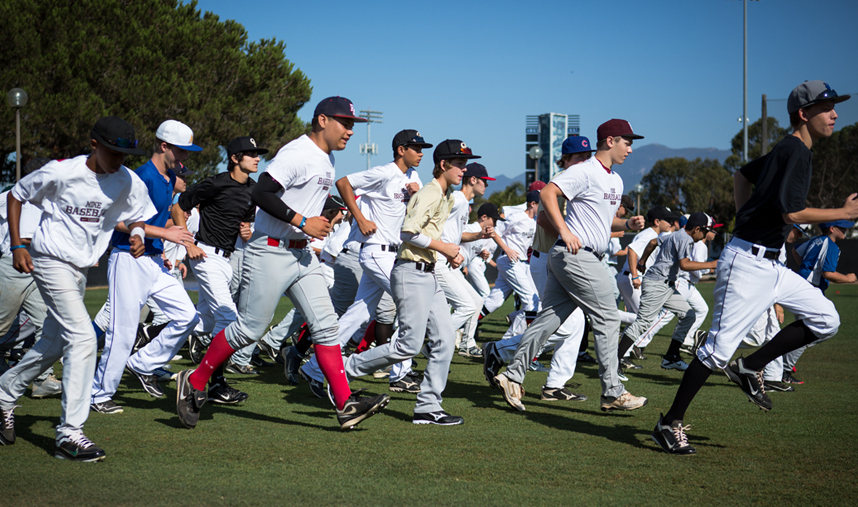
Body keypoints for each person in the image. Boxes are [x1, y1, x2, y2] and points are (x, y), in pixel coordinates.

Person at [652, 80, 857, 455]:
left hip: (772, 262)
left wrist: (746, 213)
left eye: (835, 105)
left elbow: (741, 176)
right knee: (715, 352)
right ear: (803, 113)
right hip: (747, 263)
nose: (834, 113)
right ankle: (669, 423)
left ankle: (751, 367)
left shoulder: (791, 149)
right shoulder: (794, 150)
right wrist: (842, 213)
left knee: (827, 319)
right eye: (827, 107)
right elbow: (792, 212)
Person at [174, 96, 389, 431]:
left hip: (302, 255)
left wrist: (319, 220)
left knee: (327, 327)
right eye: (344, 123)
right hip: (271, 251)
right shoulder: (298, 152)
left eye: (352, 125)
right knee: (249, 329)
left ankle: (345, 403)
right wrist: (304, 221)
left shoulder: (327, 158)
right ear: (321, 121)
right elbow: (261, 193)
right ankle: (195, 380)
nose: (350, 130)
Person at [0, 116, 156, 461]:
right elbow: (16, 195)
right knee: (84, 338)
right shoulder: (61, 172)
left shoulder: (127, 180)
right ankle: (69, 435)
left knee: (54, 344)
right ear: (94, 144)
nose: (118, 160)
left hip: (80, 268)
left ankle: (3, 393)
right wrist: (16, 245)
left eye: (124, 155)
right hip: (48, 259)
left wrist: (138, 234)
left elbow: (139, 214)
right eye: (112, 152)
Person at [489, 119, 647, 413]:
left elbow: (602, 219)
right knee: (609, 318)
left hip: (575, 256)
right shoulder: (584, 170)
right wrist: (563, 230)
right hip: (576, 256)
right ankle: (612, 391)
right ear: (610, 141)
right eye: (627, 141)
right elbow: (547, 193)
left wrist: (627, 223)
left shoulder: (616, 179)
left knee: (549, 320)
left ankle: (512, 375)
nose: (631, 148)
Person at [344, 139, 480, 425]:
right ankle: (343, 369)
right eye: (458, 164)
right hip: (409, 272)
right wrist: (443, 248)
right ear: (443, 165)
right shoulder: (430, 193)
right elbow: (407, 232)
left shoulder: (443, 196)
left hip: (427, 273)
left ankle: (428, 407)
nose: (463, 170)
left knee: (444, 341)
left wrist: (447, 253)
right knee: (407, 345)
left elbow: (425, 235)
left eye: (465, 164)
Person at [297, 129, 429, 395]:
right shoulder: (384, 172)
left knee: (358, 314)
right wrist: (359, 217)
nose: (421, 153)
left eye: (422, 148)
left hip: (393, 252)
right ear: (401, 150)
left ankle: (312, 368)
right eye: (416, 148)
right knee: (409, 304)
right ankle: (400, 374)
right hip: (376, 251)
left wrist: (417, 195)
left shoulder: (414, 177)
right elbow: (344, 183)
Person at [90, 120, 199, 414]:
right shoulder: (142, 177)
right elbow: (120, 221)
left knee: (188, 316)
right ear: (163, 146)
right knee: (122, 332)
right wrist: (167, 233)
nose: (185, 157)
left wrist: (163, 241)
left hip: (152, 262)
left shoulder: (166, 179)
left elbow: (151, 222)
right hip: (128, 259)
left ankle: (142, 363)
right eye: (181, 151)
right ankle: (99, 394)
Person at [172, 136, 269, 403]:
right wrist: (187, 243)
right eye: (251, 153)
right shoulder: (214, 182)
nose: (257, 157)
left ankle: (152, 332)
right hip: (205, 256)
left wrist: (247, 232)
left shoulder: (255, 189)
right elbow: (178, 207)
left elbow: (245, 227)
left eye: (258, 153)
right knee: (229, 319)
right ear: (235, 158)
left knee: (204, 321)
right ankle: (215, 384)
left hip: (226, 260)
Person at [615, 212, 718, 373]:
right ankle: (614, 363)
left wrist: (642, 261)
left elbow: (653, 242)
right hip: (657, 284)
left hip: (666, 286)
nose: (705, 235)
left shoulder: (677, 234)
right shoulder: (685, 239)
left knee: (689, 315)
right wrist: (713, 263)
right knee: (642, 323)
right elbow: (684, 265)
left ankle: (671, 357)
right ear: (697, 229)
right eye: (705, 231)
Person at [0, 157, 61, 397]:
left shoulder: (51, 200)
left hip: (39, 268)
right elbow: (23, 238)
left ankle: (42, 380)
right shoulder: (8, 198)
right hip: (12, 267)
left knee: (48, 325)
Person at [779, 219, 856, 381]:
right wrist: (849, 279)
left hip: (803, 286)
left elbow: (795, 251)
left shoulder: (815, 240)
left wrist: (809, 268)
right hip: (810, 290)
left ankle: (783, 364)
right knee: (818, 329)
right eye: (842, 228)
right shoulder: (831, 245)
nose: (845, 231)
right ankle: (783, 369)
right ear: (832, 228)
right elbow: (828, 274)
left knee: (811, 329)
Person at [437, 161, 495, 358]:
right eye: (484, 181)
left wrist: (479, 236)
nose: (486, 186)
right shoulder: (458, 199)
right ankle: (437, 342)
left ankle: (464, 344)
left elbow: (458, 235)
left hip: (447, 261)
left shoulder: (464, 202)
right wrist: (448, 251)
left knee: (476, 301)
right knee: (467, 305)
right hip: (439, 260)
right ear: (473, 180)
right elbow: (435, 226)